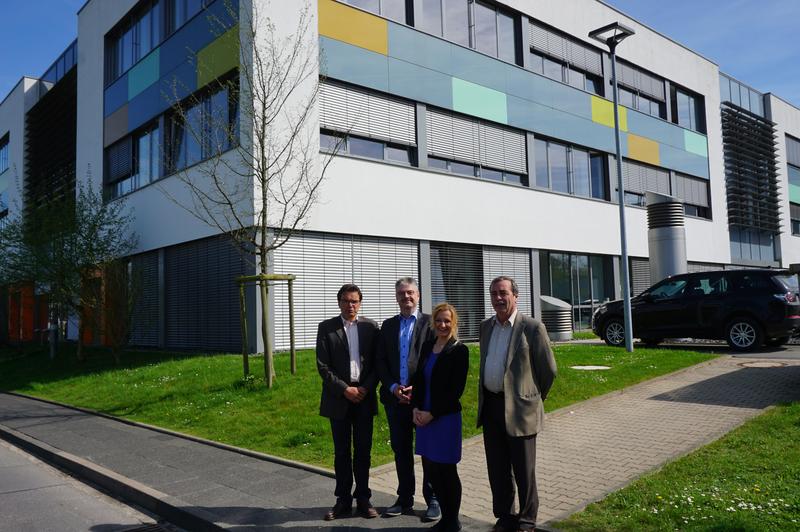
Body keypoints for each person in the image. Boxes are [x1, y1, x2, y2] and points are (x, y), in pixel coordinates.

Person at [478, 276, 557, 532]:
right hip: (491, 406)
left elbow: (549, 371)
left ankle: (527, 519)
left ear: (515, 296)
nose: (498, 298)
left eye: (503, 293)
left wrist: (532, 398)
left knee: (524, 469)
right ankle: (505, 515)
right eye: (494, 294)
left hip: (521, 410)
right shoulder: (485, 327)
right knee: (497, 468)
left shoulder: (532, 328)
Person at [376, 277, 439, 520]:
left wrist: (417, 390)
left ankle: (433, 499)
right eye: (402, 294)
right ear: (396, 297)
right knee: (400, 451)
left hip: (421, 400)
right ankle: (404, 499)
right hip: (395, 400)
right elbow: (380, 361)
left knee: (427, 451)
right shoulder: (388, 325)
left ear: (418, 295)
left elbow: (434, 361)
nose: (406, 298)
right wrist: (393, 387)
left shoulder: (430, 324)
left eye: (410, 293)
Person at [316, 283, 380, 521]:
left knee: (363, 451)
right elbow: (323, 367)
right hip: (338, 399)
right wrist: (345, 390)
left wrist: (364, 388)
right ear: (339, 302)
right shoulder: (326, 328)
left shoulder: (371, 327)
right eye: (346, 301)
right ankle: (343, 500)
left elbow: (377, 363)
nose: (350, 305)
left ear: (360, 303)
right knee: (341, 452)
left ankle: (363, 497)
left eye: (354, 301)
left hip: (364, 397)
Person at [412, 303, 469, 532]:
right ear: (433, 323)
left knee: (447, 471)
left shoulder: (459, 350)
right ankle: (444, 518)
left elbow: (456, 390)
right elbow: (419, 380)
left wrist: (432, 413)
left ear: (453, 323)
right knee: (432, 470)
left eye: (447, 321)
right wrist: (416, 408)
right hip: (423, 417)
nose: (442, 325)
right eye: (438, 321)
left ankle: (452, 520)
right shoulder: (427, 346)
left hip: (443, 418)